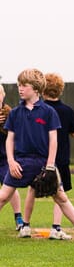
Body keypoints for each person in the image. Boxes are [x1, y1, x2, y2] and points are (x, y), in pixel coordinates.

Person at [0, 68, 74, 242]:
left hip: (42, 163)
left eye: (24, 85)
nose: (20, 88)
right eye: (19, 85)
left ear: (36, 88)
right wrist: (11, 161)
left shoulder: (48, 112)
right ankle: (25, 224)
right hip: (20, 163)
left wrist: (50, 166)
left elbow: (54, 141)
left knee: (61, 197)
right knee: (2, 197)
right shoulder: (15, 113)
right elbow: (10, 139)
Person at [23, 72, 74, 240]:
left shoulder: (37, 109)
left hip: (40, 158)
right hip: (61, 158)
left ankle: (25, 225)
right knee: (60, 192)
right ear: (60, 89)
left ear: (42, 89)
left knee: (32, 189)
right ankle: (56, 227)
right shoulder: (68, 111)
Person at [0, 85, 25, 231]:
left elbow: (15, 134)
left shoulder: (10, 113)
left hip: (5, 158)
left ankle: (18, 217)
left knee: (10, 186)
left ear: (3, 95)